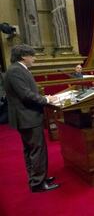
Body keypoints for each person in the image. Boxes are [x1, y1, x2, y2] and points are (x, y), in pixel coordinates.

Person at [4, 44, 59, 192]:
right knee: (36, 150)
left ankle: (37, 178)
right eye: (32, 55)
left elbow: (27, 92)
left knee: (31, 150)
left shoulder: (18, 69)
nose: (34, 58)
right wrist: (46, 100)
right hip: (27, 116)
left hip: (26, 116)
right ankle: (38, 183)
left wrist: (43, 97)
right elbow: (25, 94)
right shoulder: (16, 70)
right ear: (24, 56)